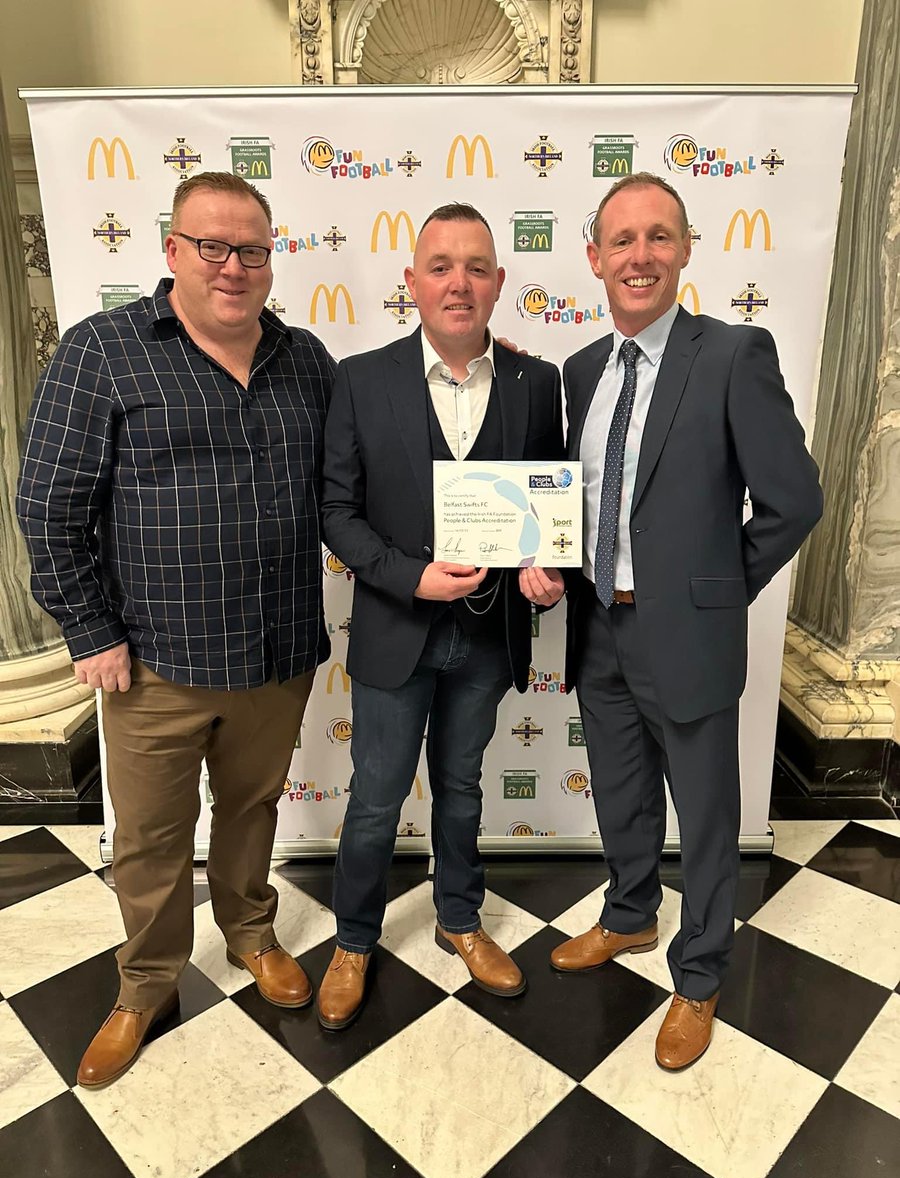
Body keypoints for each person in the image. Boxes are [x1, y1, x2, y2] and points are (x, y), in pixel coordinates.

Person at [16, 172, 335, 1087]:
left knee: (250, 809)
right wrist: (90, 629)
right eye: (214, 247)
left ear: (272, 258)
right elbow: (47, 504)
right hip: (153, 660)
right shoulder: (103, 353)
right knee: (153, 836)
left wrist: (486, 366)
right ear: (172, 251)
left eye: (253, 250)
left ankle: (250, 934)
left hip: (276, 654)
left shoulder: (304, 359)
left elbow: (366, 460)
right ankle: (146, 982)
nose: (234, 267)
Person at [544, 172, 822, 1069]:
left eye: (658, 237)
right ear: (593, 257)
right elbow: (577, 499)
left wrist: (713, 589)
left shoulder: (736, 353)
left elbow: (794, 501)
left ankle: (698, 974)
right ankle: (629, 916)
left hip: (689, 635)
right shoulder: (580, 371)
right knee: (620, 794)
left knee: (704, 815)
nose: (640, 256)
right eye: (621, 241)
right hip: (599, 629)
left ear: (687, 249)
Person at [318, 202, 564, 1029]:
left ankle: (460, 918)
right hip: (395, 631)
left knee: (462, 788)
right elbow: (339, 512)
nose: (459, 282)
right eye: (441, 266)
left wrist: (544, 564)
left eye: (476, 266)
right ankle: (354, 939)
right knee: (377, 797)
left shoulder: (539, 383)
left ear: (498, 282)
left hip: (489, 638)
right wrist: (409, 577)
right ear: (412, 283)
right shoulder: (360, 378)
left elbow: (546, 504)